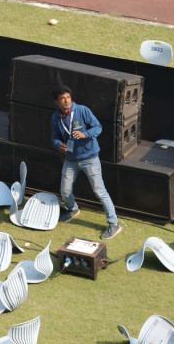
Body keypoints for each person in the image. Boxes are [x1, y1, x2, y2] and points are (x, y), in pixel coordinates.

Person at [50, 85, 121, 239]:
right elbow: (54, 137)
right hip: (70, 159)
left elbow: (98, 127)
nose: (66, 101)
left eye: (68, 97)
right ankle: (73, 209)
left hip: (90, 158)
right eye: (62, 99)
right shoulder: (56, 118)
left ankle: (114, 223)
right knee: (65, 190)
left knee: (99, 191)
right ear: (57, 102)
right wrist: (58, 145)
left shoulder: (82, 110)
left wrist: (85, 134)